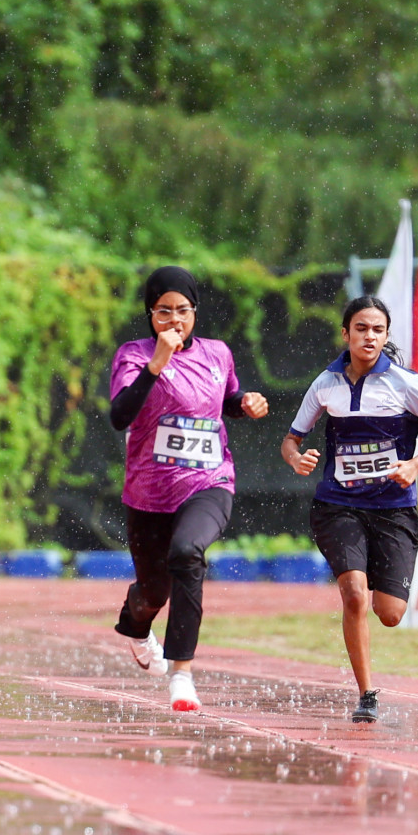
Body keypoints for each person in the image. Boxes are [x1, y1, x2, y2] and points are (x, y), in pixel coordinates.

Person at [282, 295, 418, 723]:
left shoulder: (406, 382)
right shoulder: (325, 383)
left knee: (390, 614)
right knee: (354, 594)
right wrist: (296, 458)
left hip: (394, 508)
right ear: (346, 333)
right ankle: (367, 694)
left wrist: (416, 463)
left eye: (378, 330)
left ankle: (379, 602)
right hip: (338, 504)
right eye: (361, 328)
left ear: (386, 336)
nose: (369, 337)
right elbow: (291, 439)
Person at [109, 266, 269, 711]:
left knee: (186, 553)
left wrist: (245, 404)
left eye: (183, 310)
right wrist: (157, 363)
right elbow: (120, 415)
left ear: (195, 313)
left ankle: (182, 674)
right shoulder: (133, 355)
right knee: (151, 594)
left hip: (209, 482)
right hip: (148, 494)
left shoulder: (218, 354)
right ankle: (136, 627)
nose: (174, 320)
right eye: (163, 311)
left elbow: (227, 400)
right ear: (150, 314)